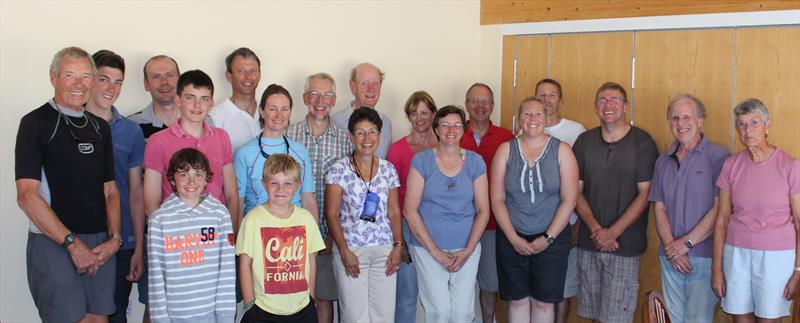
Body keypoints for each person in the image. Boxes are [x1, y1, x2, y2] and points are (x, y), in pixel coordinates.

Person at [15, 46, 121, 323]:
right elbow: (27, 196)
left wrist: (115, 240)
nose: (79, 84)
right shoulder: (35, 123)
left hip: (100, 244)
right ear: (53, 77)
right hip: (55, 243)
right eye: (70, 75)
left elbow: (110, 190)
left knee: (98, 319)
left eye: (86, 76)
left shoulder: (100, 127)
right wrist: (73, 245)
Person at [572, 82, 658, 323]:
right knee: (593, 315)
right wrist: (598, 230)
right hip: (589, 242)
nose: (607, 105)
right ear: (595, 106)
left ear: (625, 106)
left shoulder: (643, 142)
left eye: (614, 100)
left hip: (625, 245)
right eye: (602, 100)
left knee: (616, 317)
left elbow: (645, 194)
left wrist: (612, 233)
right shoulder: (584, 141)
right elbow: (575, 191)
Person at [491, 97, 579, 322]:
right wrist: (513, 238)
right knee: (518, 300)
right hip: (512, 238)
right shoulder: (505, 150)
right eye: (527, 114)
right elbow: (497, 198)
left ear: (546, 118)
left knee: (543, 302)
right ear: (519, 119)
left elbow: (569, 200)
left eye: (538, 114)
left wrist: (547, 238)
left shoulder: (562, 151)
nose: (532, 119)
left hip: (552, 239)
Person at [712, 98, 800, 322]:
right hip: (737, 253)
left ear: (767, 125)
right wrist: (717, 269)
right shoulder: (731, 165)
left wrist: (798, 271)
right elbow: (721, 219)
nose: (747, 130)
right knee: (740, 318)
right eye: (741, 124)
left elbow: (799, 222)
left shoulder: (790, 166)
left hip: (776, 256)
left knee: (768, 319)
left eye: (754, 122)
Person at [648, 94, 730, 323]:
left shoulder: (719, 156)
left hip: (704, 257)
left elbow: (720, 209)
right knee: (674, 320)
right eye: (675, 118)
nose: (680, 123)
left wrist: (685, 244)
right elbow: (659, 208)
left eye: (686, 117)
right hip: (670, 256)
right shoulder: (663, 160)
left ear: (700, 120)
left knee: (697, 320)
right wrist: (671, 247)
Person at [405, 105, 490, 322]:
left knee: (463, 313)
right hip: (428, 247)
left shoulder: (475, 161)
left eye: (457, 125)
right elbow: (410, 210)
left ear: (464, 129)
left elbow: (483, 210)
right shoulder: (422, 161)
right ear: (436, 129)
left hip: (466, 247)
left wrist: (468, 250)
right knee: (439, 312)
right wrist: (435, 251)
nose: (451, 130)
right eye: (445, 125)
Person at [84, 49, 148, 323]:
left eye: (118, 82)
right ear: (90, 79)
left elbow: (136, 192)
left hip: (121, 241)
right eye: (104, 79)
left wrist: (138, 248)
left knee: (117, 313)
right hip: (81, 239)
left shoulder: (131, 131)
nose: (111, 88)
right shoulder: (67, 123)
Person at [285, 73, 353, 323]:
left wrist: (335, 236)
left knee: (324, 299)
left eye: (327, 95)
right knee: (293, 299)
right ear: (304, 98)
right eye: (314, 93)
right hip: (290, 235)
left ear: (334, 100)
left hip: (329, 236)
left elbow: (350, 194)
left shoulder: (346, 141)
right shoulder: (288, 136)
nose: (320, 100)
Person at [325, 108, 403, 322]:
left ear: (379, 135)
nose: (367, 138)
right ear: (351, 136)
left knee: (384, 316)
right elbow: (331, 214)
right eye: (360, 132)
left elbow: (394, 212)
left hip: (384, 252)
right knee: (353, 316)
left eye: (372, 132)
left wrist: (398, 246)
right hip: (352, 251)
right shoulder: (339, 169)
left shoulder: (388, 169)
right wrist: (343, 250)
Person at [142, 70, 240, 233]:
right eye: (190, 98)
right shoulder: (158, 141)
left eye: (204, 99)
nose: (197, 105)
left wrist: (232, 236)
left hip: (216, 232)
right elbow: (151, 200)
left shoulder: (221, 137)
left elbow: (231, 193)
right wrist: (166, 236)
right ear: (178, 100)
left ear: (211, 104)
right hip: (175, 234)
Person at [146, 148, 236, 322]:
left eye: (199, 175)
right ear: (172, 178)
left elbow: (227, 269)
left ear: (207, 179)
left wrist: (225, 316)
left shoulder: (220, 215)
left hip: (211, 314)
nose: (191, 182)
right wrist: (160, 318)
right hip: (173, 315)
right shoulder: (159, 219)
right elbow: (156, 275)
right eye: (183, 174)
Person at [237, 154, 325, 323]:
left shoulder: (306, 218)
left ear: (297, 186)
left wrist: (310, 297)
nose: (280, 189)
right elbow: (245, 263)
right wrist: (249, 304)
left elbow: (311, 260)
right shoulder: (253, 219)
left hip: (301, 309)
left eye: (287, 184)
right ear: (264, 184)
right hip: (263, 309)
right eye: (274, 183)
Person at [459, 82, 515, 323]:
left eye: (485, 101)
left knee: (490, 282)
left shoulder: (507, 138)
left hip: (493, 225)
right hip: (459, 224)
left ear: (492, 105)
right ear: (466, 105)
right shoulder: (454, 134)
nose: (480, 106)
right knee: (459, 281)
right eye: (475, 100)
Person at [535, 78, 586, 323]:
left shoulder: (576, 131)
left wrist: (576, 221)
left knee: (563, 286)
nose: (547, 100)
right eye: (541, 95)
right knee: (538, 287)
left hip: (568, 221)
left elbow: (580, 183)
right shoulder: (527, 129)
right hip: (534, 224)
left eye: (552, 95)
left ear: (561, 100)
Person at [386, 91, 438, 323]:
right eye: (414, 113)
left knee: (438, 296)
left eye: (425, 112)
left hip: (439, 226)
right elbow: (392, 199)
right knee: (407, 294)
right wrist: (400, 241)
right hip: (407, 226)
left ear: (433, 115)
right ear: (408, 116)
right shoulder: (397, 150)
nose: (420, 118)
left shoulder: (446, 146)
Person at [234, 84, 317, 221]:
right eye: (272, 109)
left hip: (295, 231)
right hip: (258, 229)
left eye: (284, 109)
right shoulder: (243, 154)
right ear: (261, 111)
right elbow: (238, 202)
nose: (279, 115)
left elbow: (308, 200)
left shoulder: (300, 151)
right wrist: (238, 238)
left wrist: (314, 237)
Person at [332, 63, 392, 158]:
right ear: (353, 86)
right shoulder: (334, 123)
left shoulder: (386, 123)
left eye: (375, 83)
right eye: (365, 83)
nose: (371, 89)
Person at [209, 47, 263, 151]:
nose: (248, 77)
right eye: (241, 71)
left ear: (259, 74)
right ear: (228, 76)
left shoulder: (270, 112)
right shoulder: (215, 118)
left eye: (253, 70)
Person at [129, 55, 180, 139]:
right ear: (146, 84)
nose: (164, 82)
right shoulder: (131, 126)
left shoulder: (202, 120)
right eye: (156, 77)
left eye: (170, 75)